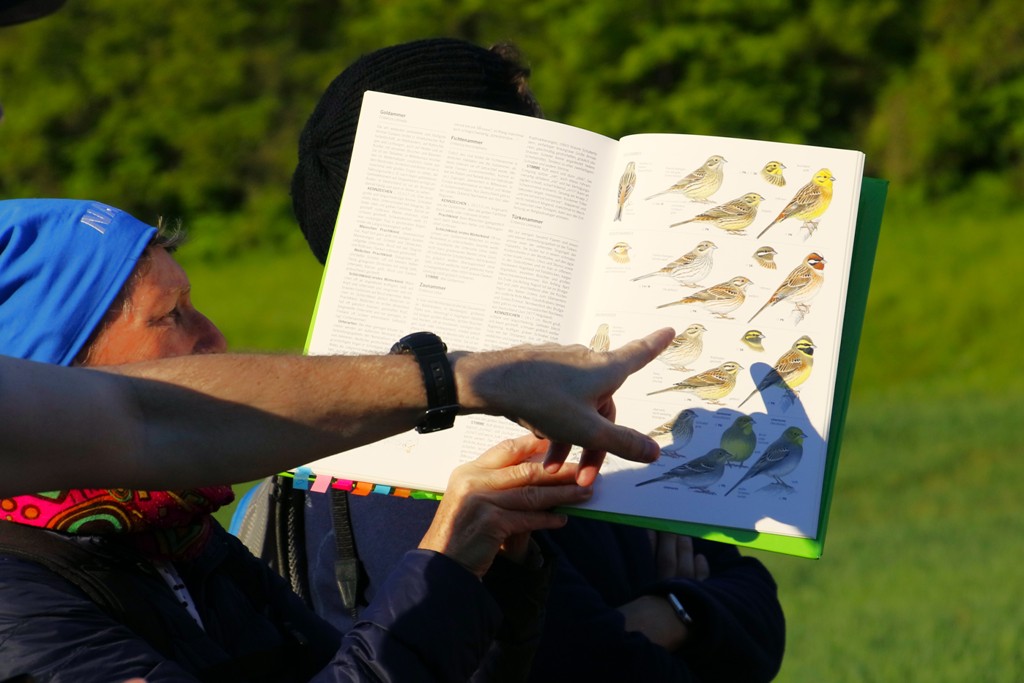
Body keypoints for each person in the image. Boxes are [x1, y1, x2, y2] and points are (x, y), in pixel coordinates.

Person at [0, 198, 670, 682]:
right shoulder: (16, 601)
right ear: (60, 377)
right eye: (171, 316)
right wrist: (440, 564)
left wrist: (484, 567)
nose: (214, 338)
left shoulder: (181, 538)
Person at [284, 38, 786, 682]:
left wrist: (674, 612)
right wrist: (687, 619)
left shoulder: (573, 388)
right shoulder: (408, 463)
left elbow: (757, 609)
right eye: (539, 153)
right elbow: (582, 666)